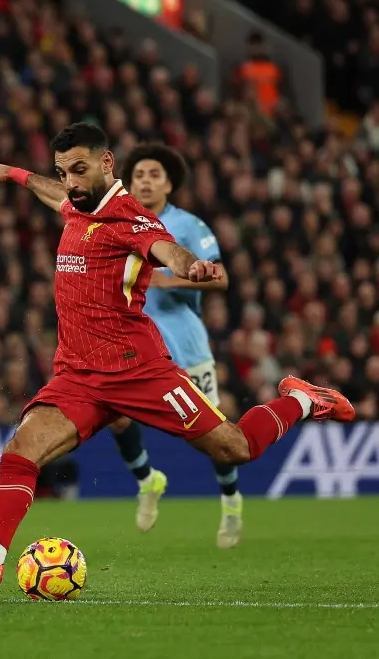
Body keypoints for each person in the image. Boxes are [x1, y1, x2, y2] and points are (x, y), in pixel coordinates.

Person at [0, 122, 354, 589]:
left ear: (107, 163)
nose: (71, 182)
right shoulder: (78, 203)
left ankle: (304, 399)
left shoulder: (130, 218)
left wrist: (193, 265)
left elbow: (167, 249)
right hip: (78, 375)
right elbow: (57, 196)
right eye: (64, 172)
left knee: (236, 448)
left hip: (138, 370)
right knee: (21, 449)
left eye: (80, 169)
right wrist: (14, 173)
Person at [106, 144, 243, 548]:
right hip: (134, 341)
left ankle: (231, 501)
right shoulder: (117, 222)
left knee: (214, 433)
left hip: (184, 341)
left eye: (155, 175)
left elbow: (222, 278)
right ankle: (148, 480)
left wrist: (171, 279)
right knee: (115, 416)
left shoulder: (187, 225)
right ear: (129, 184)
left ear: (169, 184)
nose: (146, 182)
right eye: (139, 176)